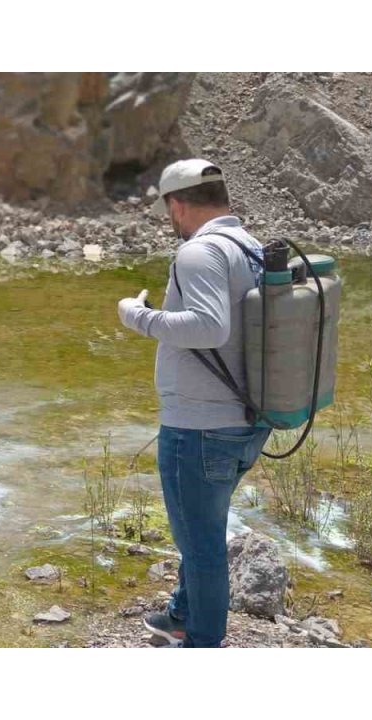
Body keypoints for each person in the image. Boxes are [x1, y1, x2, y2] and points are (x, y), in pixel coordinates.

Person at [115, 159, 273, 648]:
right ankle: (181, 613)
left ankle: (202, 643)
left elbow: (209, 327)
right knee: (199, 525)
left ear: (177, 205)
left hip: (200, 428)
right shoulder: (252, 248)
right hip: (246, 421)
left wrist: (139, 316)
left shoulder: (199, 253)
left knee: (200, 544)